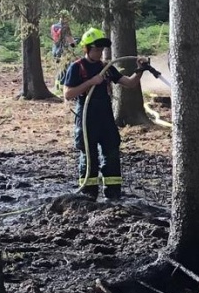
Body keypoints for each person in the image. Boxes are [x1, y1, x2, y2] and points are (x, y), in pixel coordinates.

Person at [62, 28, 147, 201]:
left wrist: (140, 70)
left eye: (101, 49)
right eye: (96, 49)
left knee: (112, 153)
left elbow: (129, 83)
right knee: (89, 156)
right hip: (87, 118)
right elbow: (68, 94)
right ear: (86, 49)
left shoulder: (106, 67)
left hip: (106, 118)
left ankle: (113, 194)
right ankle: (88, 195)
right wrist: (91, 82)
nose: (99, 53)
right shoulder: (77, 68)